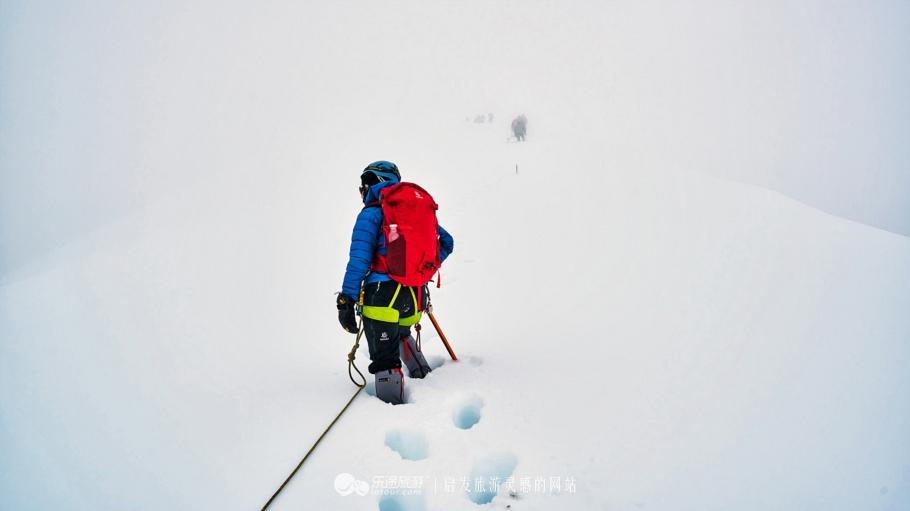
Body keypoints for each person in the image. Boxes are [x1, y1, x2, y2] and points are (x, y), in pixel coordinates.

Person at [336, 161, 455, 405]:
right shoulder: (414, 211)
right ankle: (424, 378)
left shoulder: (371, 214)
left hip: (382, 298)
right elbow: (447, 242)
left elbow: (358, 261)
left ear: (375, 182)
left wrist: (346, 300)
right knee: (401, 332)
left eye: (364, 185)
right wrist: (420, 272)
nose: (362, 190)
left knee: (384, 358)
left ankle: (393, 412)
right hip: (415, 298)